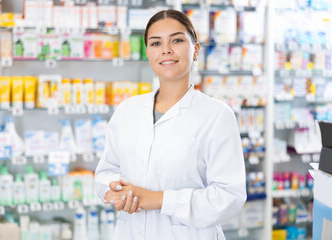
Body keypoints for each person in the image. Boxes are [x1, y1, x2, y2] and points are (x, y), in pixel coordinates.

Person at [95, 9, 246, 240]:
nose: (165, 49)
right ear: (147, 53)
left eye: (176, 40)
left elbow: (229, 198)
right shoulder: (128, 110)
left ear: (195, 50)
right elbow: (106, 171)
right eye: (156, 43)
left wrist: (157, 199)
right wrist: (115, 189)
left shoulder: (216, 116)